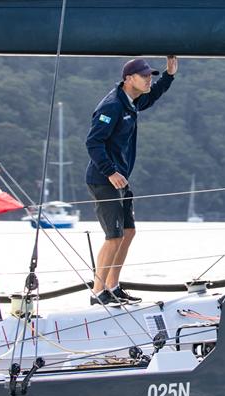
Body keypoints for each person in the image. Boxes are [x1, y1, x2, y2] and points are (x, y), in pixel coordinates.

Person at [85, 56, 178, 306]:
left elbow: (153, 95)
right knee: (113, 236)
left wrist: (169, 75)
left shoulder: (131, 101)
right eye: (144, 76)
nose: (149, 80)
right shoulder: (112, 106)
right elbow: (93, 142)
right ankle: (98, 292)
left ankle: (113, 287)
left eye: (150, 76)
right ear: (129, 79)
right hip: (104, 180)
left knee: (128, 232)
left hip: (121, 180)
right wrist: (110, 172)